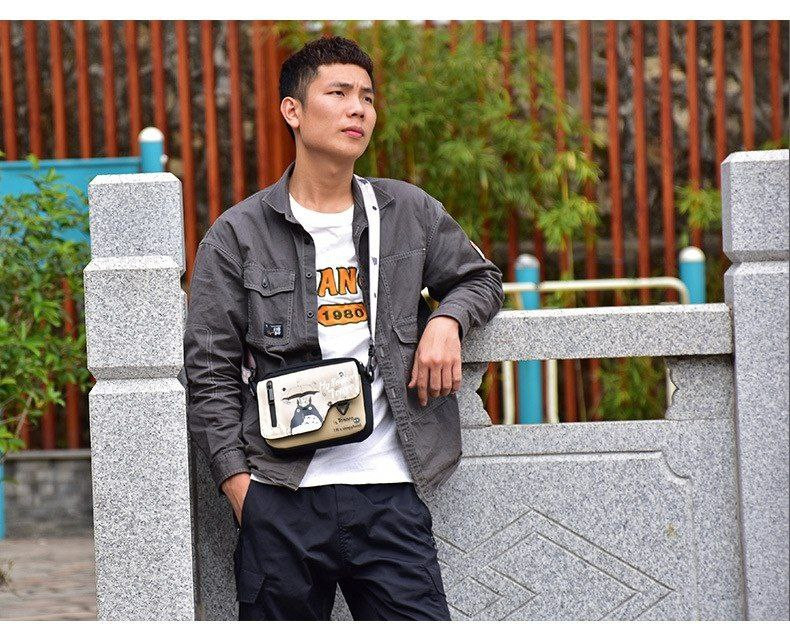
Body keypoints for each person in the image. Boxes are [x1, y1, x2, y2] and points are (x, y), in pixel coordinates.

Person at [184, 35, 503, 621]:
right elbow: (209, 369)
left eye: (367, 97)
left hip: (390, 492)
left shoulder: (406, 212)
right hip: (280, 493)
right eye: (338, 93)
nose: (358, 109)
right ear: (293, 110)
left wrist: (447, 320)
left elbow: (480, 278)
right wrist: (238, 486)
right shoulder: (237, 235)